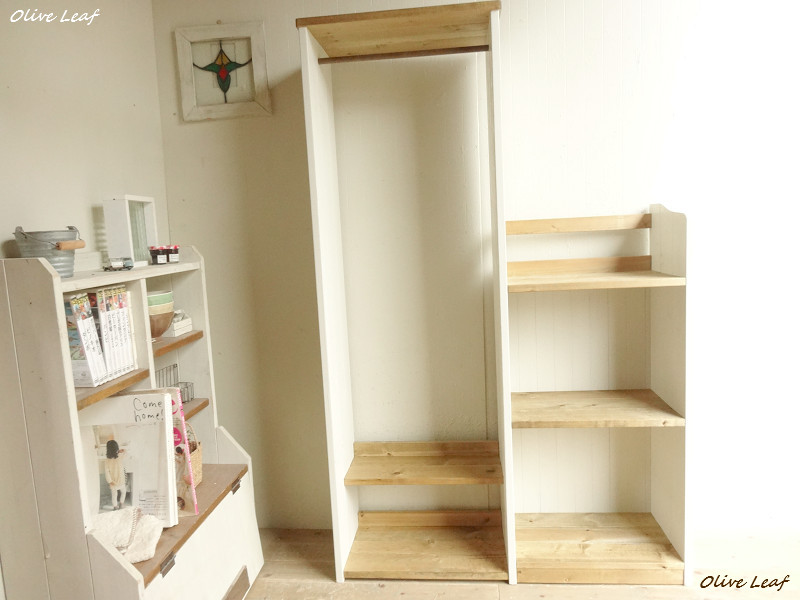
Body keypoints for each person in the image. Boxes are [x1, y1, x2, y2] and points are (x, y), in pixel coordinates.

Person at [105, 440, 126, 510]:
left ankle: (115, 507)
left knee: (114, 495)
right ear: (117, 448)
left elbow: (107, 472)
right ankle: (121, 504)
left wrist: (110, 481)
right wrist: (120, 451)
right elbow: (125, 452)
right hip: (120, 480)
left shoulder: (107, 460)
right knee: (123, 492)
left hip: (113, 481)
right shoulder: (120, 456)